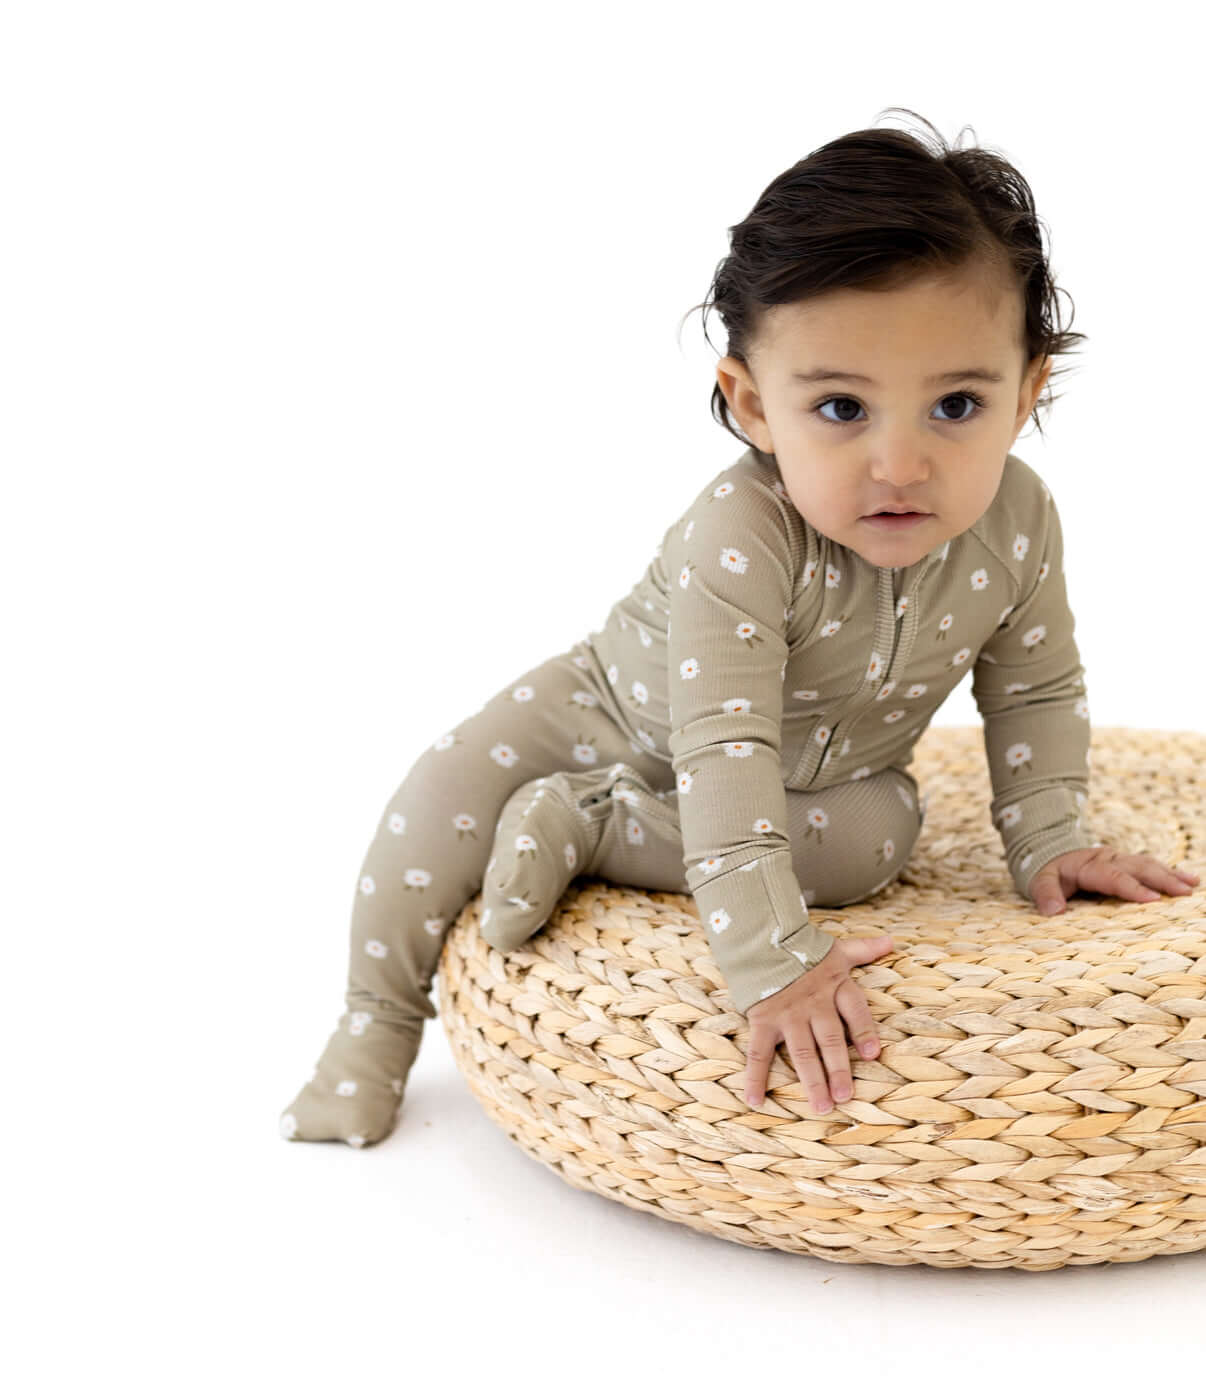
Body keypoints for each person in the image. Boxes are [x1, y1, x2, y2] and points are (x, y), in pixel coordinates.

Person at [279, 108, 1198, 1149]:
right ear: (753, 406)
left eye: (955, 405)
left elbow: (1033, 688)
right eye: (843, 410)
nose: (900, 464)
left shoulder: (1018, 525)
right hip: (615, 713)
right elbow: (724, 746)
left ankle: (596, 827)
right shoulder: (743, 534)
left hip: (822, 784)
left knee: (880, 840)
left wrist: (1049, 836)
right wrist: (772, 958)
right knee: (436, 796)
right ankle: (371, 1028)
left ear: (1028, 392)